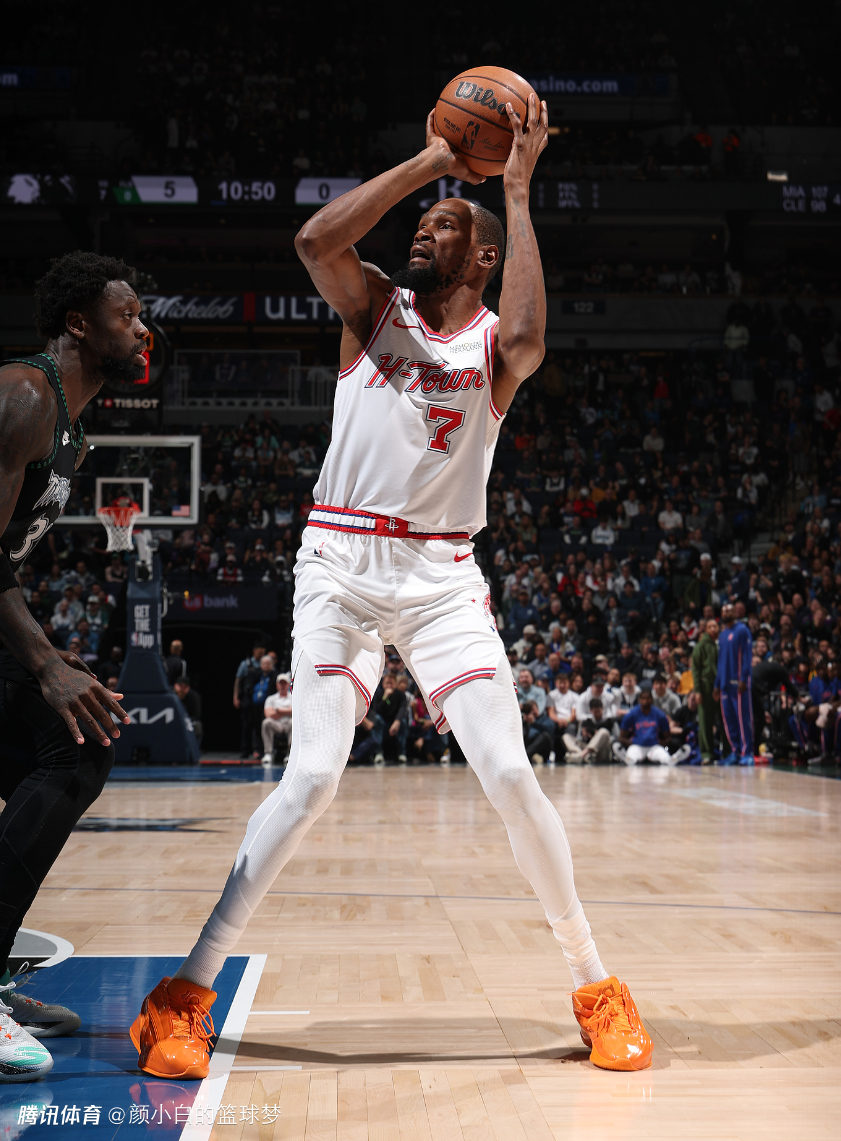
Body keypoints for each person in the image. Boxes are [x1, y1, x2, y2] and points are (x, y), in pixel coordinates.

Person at [132, 94, 651, 1078]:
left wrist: (513, 189)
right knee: (312, 778)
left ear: (483, 256)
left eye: (444, 225)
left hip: (442, 575)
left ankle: (597, 988)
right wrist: (429, 165)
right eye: (422, 220)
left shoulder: (492, 345)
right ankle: (181, 996)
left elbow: (531, 338)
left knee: (510, 775)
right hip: (339, 565)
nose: (423, 228)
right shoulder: (374, 309)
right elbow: (312, 241)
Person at [0, 251, 137, 1079]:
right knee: (69, 745)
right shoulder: (24, 395)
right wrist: (43, 663)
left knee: (76, 743)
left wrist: (47, 655)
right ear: (78, 324)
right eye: (127, 315)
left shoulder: (72, 429)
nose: (142, 328)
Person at [714, 602, 754, 765]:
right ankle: (735, 751)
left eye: (729, 611)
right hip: (724, 684)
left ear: (735, 613)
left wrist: (744, 678)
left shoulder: (742, 630)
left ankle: (747, 752)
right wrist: (716, 684)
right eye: (724, 611)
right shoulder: (722, 635)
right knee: (729, 720)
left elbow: (747, 656)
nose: (726, 613)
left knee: (743, 719)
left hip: (738, 683)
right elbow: (720, 661)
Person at [616, 685, 673, 766]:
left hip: (654, 746)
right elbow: (622, 737)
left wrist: (660, 744)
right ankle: (626, 757)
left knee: (665, 758)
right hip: (636, 746)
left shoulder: (660, 715)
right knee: (632, 758)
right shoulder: (631, 715)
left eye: (647, 698)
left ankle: (672, 759)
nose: (645, 701)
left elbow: (668, 737)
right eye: (642, 698)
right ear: (639, 699)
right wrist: (632, 743)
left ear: (652, 699)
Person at [691, 618, 719, 763]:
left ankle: (727, 752)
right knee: (705, 722)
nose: (713, 629)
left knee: (723, 720)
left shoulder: (719, 645)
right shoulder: (700, 646)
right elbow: (695, 669)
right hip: (705, 686)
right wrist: (697, 691)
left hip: (720, 687)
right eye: (710, 626)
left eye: (715, 626)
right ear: (706, 629)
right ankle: (706, 753)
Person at [233, 641, 266, 759]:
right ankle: (245, 750)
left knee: (259, 725)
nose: (261, 654)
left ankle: (259, 750)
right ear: (254, 651)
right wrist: (235, 697)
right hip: (247, 697)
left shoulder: (264, 664)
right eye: (259, 651)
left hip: (260, 698)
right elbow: (238, 680)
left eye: (263, 652)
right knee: (246, 724)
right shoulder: (245, 664)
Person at [261, 672, 292, 765]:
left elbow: (296, 712)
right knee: (266, 722)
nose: (282, 685)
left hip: (288, 723)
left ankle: (290, 754)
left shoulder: (293, 697)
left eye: (284, 683)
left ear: (288, 685)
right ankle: (268, 753)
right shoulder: (271, 699)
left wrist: (278, 710)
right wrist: (288, 711)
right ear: (277, 685)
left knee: (294, 722)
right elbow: (268, 714)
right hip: (276, 724)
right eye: (280, 683)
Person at [173, 675, 202, 746]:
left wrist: (184, 721)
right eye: (180, 686)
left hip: (188, 722)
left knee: (197, 725)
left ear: (188, 688)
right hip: (172, 721)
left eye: (185, 687)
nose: (182, 689)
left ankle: (194, 747)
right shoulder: (170, 696)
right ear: (175, 686)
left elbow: (196, 715)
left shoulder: (194, 697)